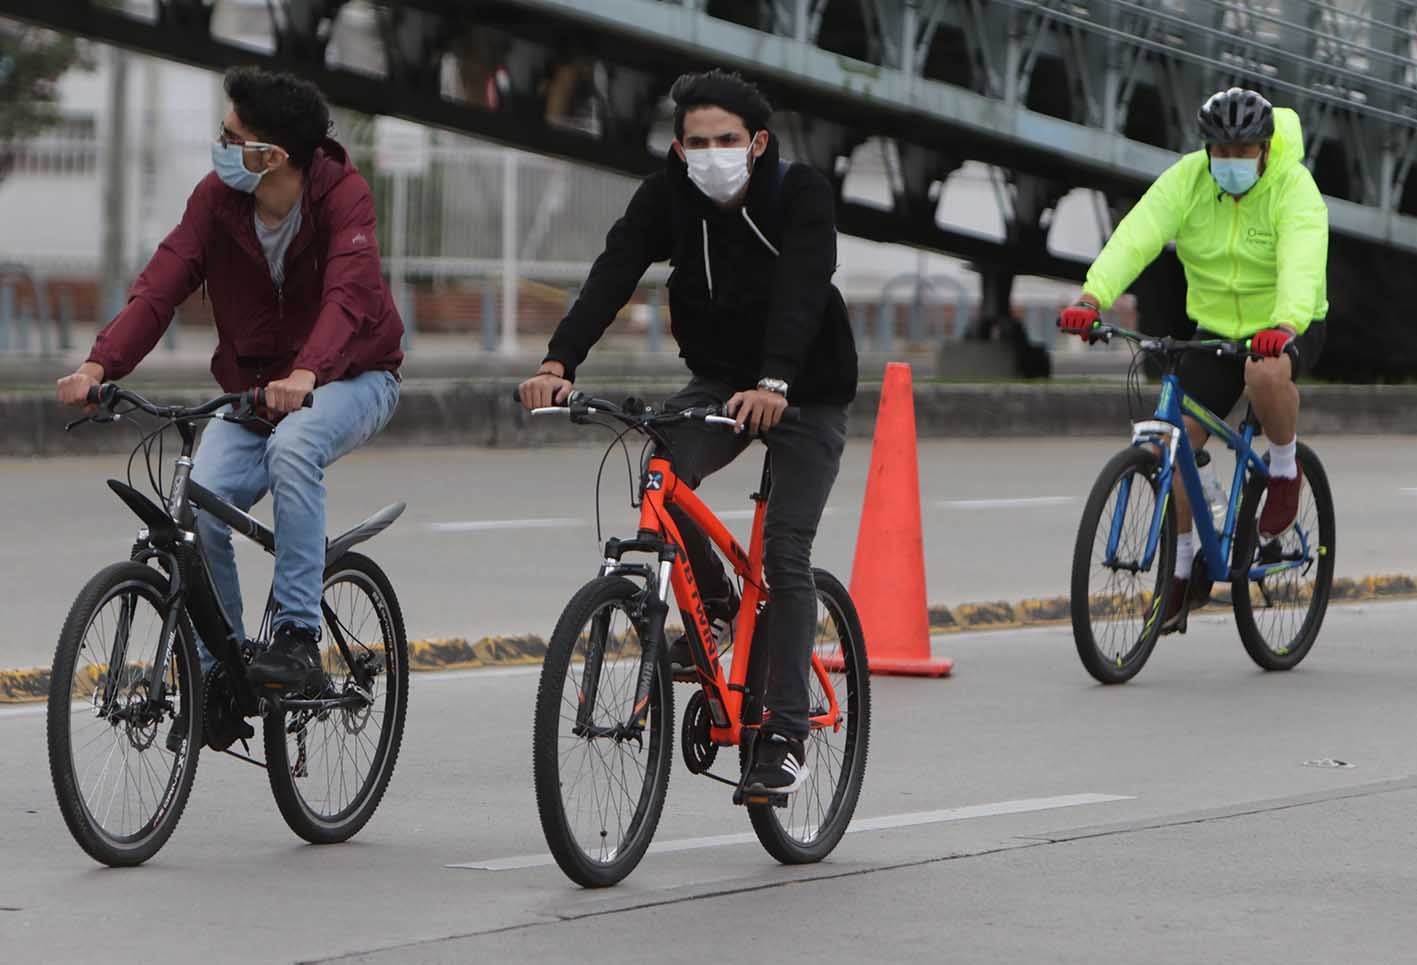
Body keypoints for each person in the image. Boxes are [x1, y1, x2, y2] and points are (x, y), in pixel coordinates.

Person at [518, 69, 857, 795]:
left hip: (804, 388)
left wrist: (775, 381)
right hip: (716, 381)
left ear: (757, 142)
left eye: (725, 141)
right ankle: (720, 606)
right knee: (662, 471)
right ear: (677, 147)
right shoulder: (665, 196)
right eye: (695, 143)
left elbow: (804, 285)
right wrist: (558, 360)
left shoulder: (799, 194)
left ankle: (785, 734)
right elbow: (613, 273)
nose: (709, 154)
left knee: (785, 555)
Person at [57, 66, 404, 691]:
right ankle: (223, 670)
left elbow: (350, 298)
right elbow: (160, 286)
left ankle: (298, 638)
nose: (218, 146)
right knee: (196, 510)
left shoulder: (343, 196)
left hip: (355, 375)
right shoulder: (216, 202)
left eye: (230, 136)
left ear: (270, 156)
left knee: (296, 447)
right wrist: (98, 365)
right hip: (253, 391)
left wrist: (307, 372)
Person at [1060, 88, 1329, 632]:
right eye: (1220, 153)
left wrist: (1283, 325)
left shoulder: (1292, 187)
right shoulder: (1188, 179)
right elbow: (1137, 235)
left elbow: (1303, 257)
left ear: (1265, 148)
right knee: (1169, 438)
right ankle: (1181, 574)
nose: (1230, 163)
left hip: (1286, 325)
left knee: (1265, 372)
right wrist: (1092, 298)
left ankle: (1283, 468)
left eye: (1243, 152)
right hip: (1214, 330)